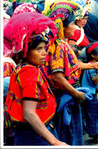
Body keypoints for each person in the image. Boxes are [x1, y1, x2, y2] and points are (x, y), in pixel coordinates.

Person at [44, 1, 98, 145]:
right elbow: (58, 77)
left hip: (69, 93)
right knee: (68, 135)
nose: (75, 26)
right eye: (72, 24)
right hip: (65, 95)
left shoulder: (62, 43)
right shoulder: (57, 47)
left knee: (73, 132)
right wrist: (76, 93)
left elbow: (73, 65)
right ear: (62, 27)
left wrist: (93, 66)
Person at [4, 12, 68, 146]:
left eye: (44, 48)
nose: (44, 52)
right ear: (26, 51)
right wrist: (54, 141)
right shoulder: (29, 72)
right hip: (35, 135)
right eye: (39, 49)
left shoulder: (23, 67)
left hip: (29, 132)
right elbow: (29, 114)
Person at [81, 42, 98, 144]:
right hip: (92, 95)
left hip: (96, 94)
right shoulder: (91, 67)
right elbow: (94, 80)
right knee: (94, 115)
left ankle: (94, 133)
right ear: (93, 55)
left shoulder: (92, 64)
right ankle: (96, 135)